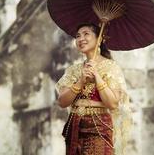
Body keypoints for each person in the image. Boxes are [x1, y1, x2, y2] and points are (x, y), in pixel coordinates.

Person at [55, 23, 132, 155]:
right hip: (75, 126)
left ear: (99, 39)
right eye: (77, 36)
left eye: (86, 34)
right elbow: (62, 102)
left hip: (98, 126)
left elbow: (113, 104)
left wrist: (97, 76)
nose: (80, 39)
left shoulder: (110, 67)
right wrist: (80, 81)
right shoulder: (74, 70)